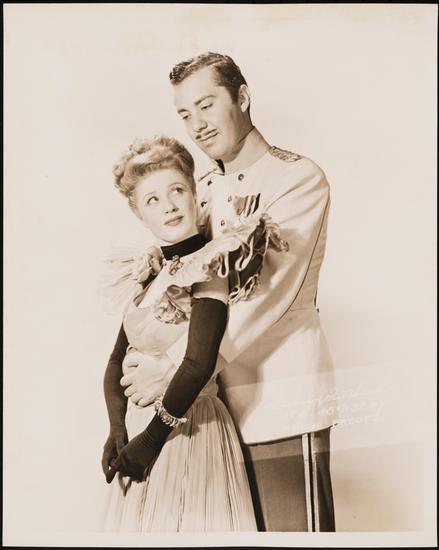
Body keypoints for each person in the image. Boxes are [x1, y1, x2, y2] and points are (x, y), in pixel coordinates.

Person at [120, 52, 338, 532]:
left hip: (279, 402)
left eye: (206, 105)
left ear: (242, 97)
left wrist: (172, 369)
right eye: (184, 114)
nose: (196, 125)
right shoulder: (200, 189)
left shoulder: (297, 178)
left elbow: (262, 298)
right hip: (207, 414)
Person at [101, 135, 286, 531]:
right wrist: (117, 430)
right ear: (139, 213)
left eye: (177, 190)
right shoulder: (149, 273)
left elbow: (198, 363)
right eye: (152, 200)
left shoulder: (209, 266)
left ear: (194, 194)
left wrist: (150, 440)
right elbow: (116, 359)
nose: (168, 205)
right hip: (143, 433)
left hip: (188, 429)